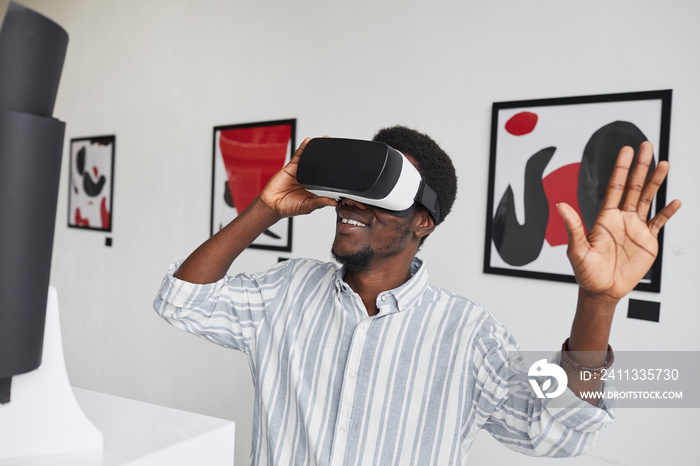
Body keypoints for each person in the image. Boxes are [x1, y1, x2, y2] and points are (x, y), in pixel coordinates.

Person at [154, 126, 681, 465]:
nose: (353, 203)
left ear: (423, 221)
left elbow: (558, 438)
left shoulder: (469, 334)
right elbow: (181, 301)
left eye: (382, 193)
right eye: (356, 186)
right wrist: (265, 208)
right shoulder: (287, 291)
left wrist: (598, 302)